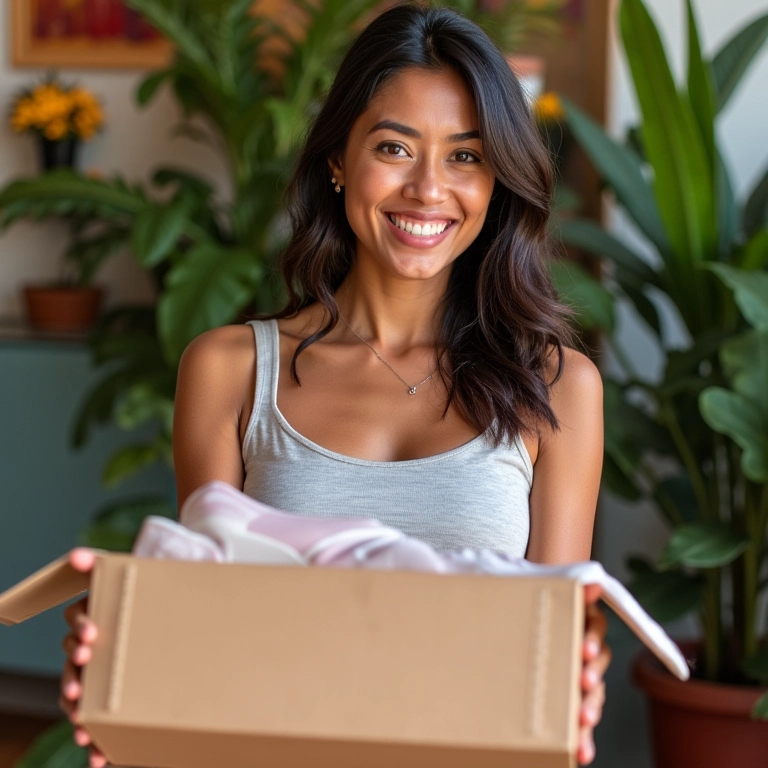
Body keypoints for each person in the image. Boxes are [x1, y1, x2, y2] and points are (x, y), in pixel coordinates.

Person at [59, 4, 609, 766]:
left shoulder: (558, 388)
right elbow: (207, 638)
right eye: (394, 147)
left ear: (498, 180)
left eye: (466, 156)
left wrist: (575, 691)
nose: (427, 189)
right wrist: (126, 663)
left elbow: (546, 667)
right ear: (338, 160)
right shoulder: (230, 371)